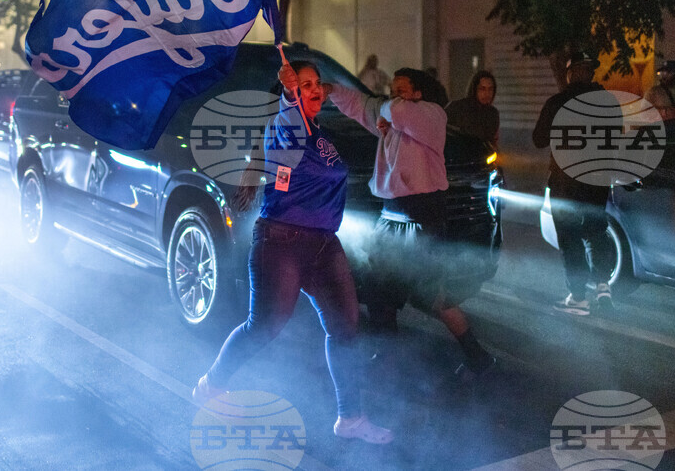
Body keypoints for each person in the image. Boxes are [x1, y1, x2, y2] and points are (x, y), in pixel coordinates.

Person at [194, 60, 393, 445]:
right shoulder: (284, 128)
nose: (315, 90)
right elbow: (289, 121)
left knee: (346, 328)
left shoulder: (319, 133)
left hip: (323, 244)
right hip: (281, 244)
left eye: (317, 83)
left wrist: (377, 122)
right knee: (263, 327)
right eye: (306, 85)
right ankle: (211, 386)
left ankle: (351, 417)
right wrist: (289, 95)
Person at [328, 68, 495, 380]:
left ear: (419, 94)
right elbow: (364, 105)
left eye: (402, 90)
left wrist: (386, 112)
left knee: (432, 296)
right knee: (380, 291)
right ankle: (390, 359)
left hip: (421, 218)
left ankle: (478, 357)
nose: (394, 96)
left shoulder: (431, 115)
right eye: (393, 90)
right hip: (391, 216)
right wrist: (331, 90)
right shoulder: (394, 115)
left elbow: (392, 110)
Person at [533, 52, 616, 316]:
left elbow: (538, 139)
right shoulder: (607, 101)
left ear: (570, 74)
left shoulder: (557, 102)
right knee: (596, 230)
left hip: (566, 181)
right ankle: (603, 287)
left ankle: (578, 297)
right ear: (590, 73)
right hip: (598, 179)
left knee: (570, 236)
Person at [445, 70, 499, 145]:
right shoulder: (457, 108)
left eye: (490, 89)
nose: (487, 93)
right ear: (474, 89)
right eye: (482, 89)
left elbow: (491, 141)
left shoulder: (492, 113)